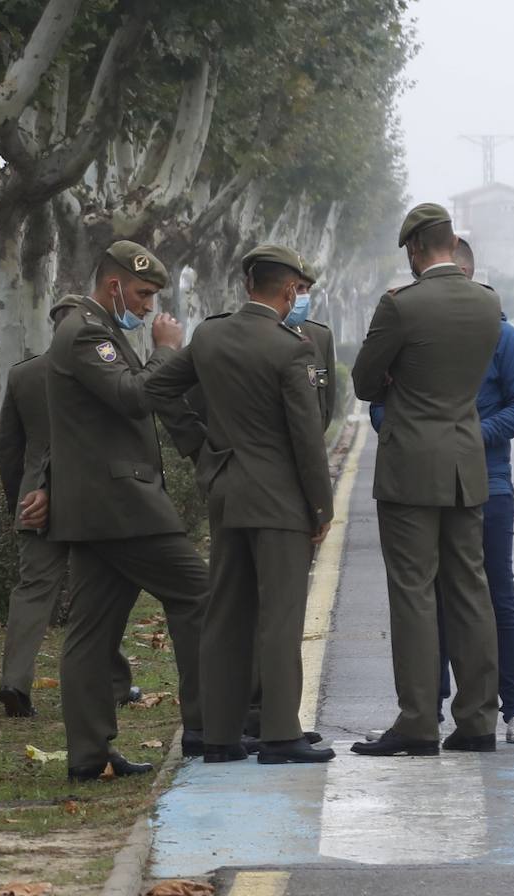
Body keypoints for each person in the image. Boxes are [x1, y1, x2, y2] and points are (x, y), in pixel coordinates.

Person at [24, 240, 209, 782]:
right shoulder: (86, 331)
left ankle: (89, 755)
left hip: (99, 507)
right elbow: (131, 396)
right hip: (120, 507)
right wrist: (168, 351)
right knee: (199, 592)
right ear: (114, 286)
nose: (150, 307)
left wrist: (53, 486)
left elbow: (74, 425)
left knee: (91, 631)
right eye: (144, 293)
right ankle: (206, 724)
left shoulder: (92, 328)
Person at [145, 244, 336, 765]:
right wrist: (322, 508)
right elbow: (306, 437)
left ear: (248, 283)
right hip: (279, 500)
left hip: (226, 488)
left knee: (226, 615)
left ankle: (221, 737)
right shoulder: (291, 348)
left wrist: (200, 446)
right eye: (299, 288)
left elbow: (159, 387)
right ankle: (279, 735)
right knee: (279, 616)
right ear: (290, 289)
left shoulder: (211, 334)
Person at [368, 238, 514, 744]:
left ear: (467, 276)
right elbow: (380, 403)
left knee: (493, 596)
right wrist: (410, 433)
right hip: (426, 480)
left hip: (485, 483)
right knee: (435, 597)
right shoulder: (414, 335)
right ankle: (435, 711)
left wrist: (468, 437)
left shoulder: (499, 335)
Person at [350, 203, 502, 758]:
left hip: (411, 464)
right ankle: (480, 719)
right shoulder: (488, 303)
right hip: (465, 461)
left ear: (415, 249)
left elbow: (365, 381)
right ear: (451, 242)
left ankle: (417, 721)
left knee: (414, 593)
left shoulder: (401, 307)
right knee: (471, 591)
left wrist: (395, 380)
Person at [0, 297, 141, 718]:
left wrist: (19, 504)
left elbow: (9, 449)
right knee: (98, 593)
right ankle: (114, 681)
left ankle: (14, 682)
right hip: (91, 498)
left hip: (34, 499)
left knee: (33, 592)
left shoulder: (23, 375)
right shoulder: (103, 371)